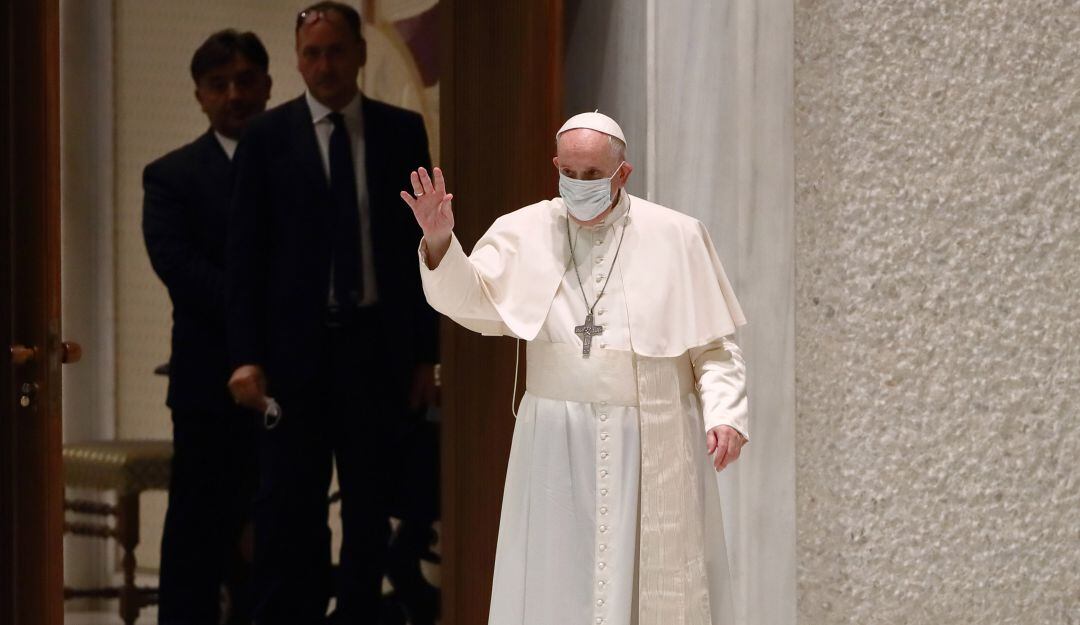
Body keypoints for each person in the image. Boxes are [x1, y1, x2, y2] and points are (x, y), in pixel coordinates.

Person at [401, 111, 750, 625]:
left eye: (593, 176)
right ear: (555, 167)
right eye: (570, 173)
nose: (579, 186)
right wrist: (438, 241)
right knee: (555, 587)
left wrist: (725, 413)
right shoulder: (524, 230)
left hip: (650, 441)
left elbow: (714, 347)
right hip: (554, 446)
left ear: (623, 173)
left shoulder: (678, 236)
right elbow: (470, 302)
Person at [225, 3, 438, 623]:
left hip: (375, 350)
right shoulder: (267, 139)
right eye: (312, 53)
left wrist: (427, 353)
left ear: (359, 54)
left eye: (336, 51)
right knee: (291, 506)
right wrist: (245, 355)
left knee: (370, 506)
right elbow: (245, 259)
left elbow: (421, 251)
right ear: (297, 59)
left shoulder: (400, 133)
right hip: (294, 354)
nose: (324, 66)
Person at [142, 28, 272, 625]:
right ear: (199, 95)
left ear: (267, 87)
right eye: (218, 84)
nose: (234, 95)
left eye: (245, 81)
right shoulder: (171, 176)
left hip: (290, 372)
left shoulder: (293, 162)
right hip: (206, 378)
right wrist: (266, 309)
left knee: (276, 521)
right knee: (197, 527)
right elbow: (180, 269)